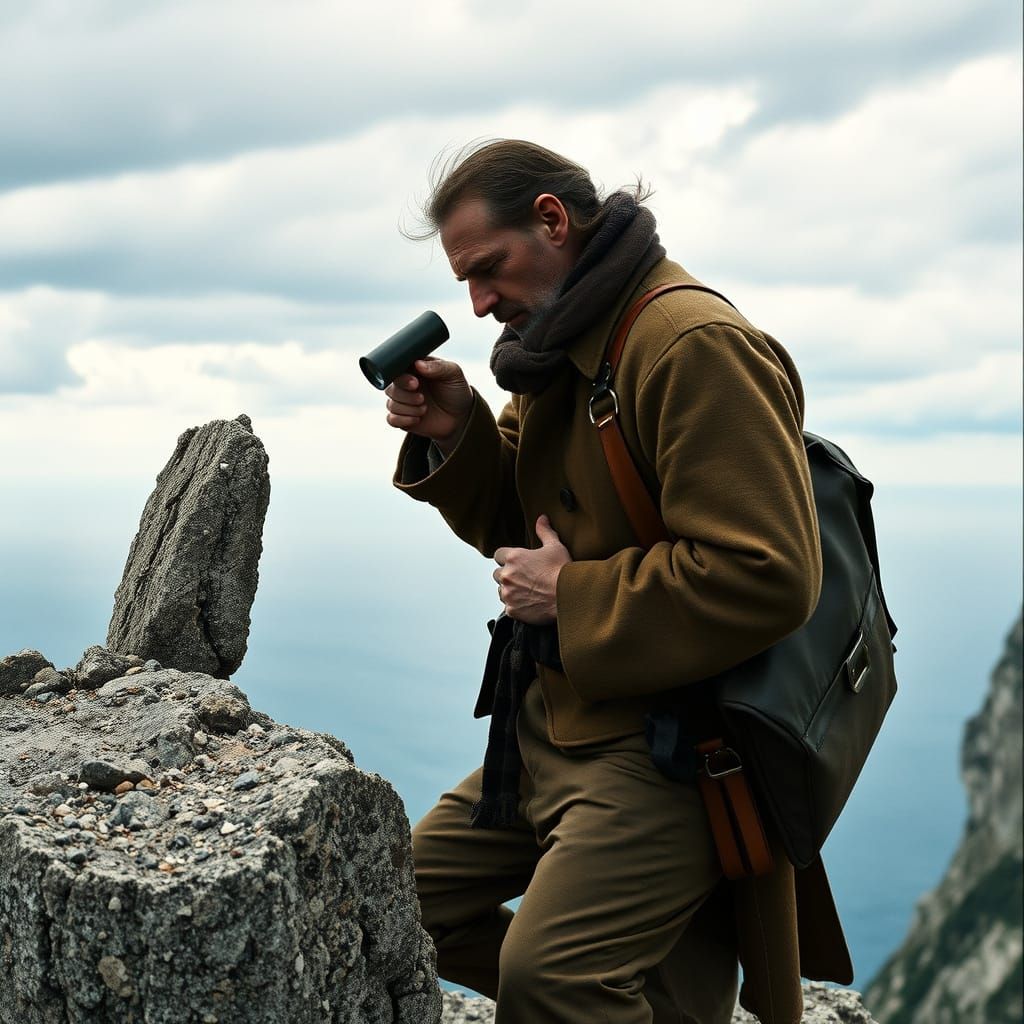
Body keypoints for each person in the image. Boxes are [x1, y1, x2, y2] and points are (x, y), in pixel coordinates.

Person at [384, 140, 853, 1024]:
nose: (479, 304)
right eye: (466, 285)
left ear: (554, 220)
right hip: (551, 728)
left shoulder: (688, 344)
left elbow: (772, 572)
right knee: (395, 904)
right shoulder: (562, 341)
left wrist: (574, 598)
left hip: (666, 750)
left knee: (554, 979)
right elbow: (535, 521)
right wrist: (460, 432)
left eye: (489, 269)